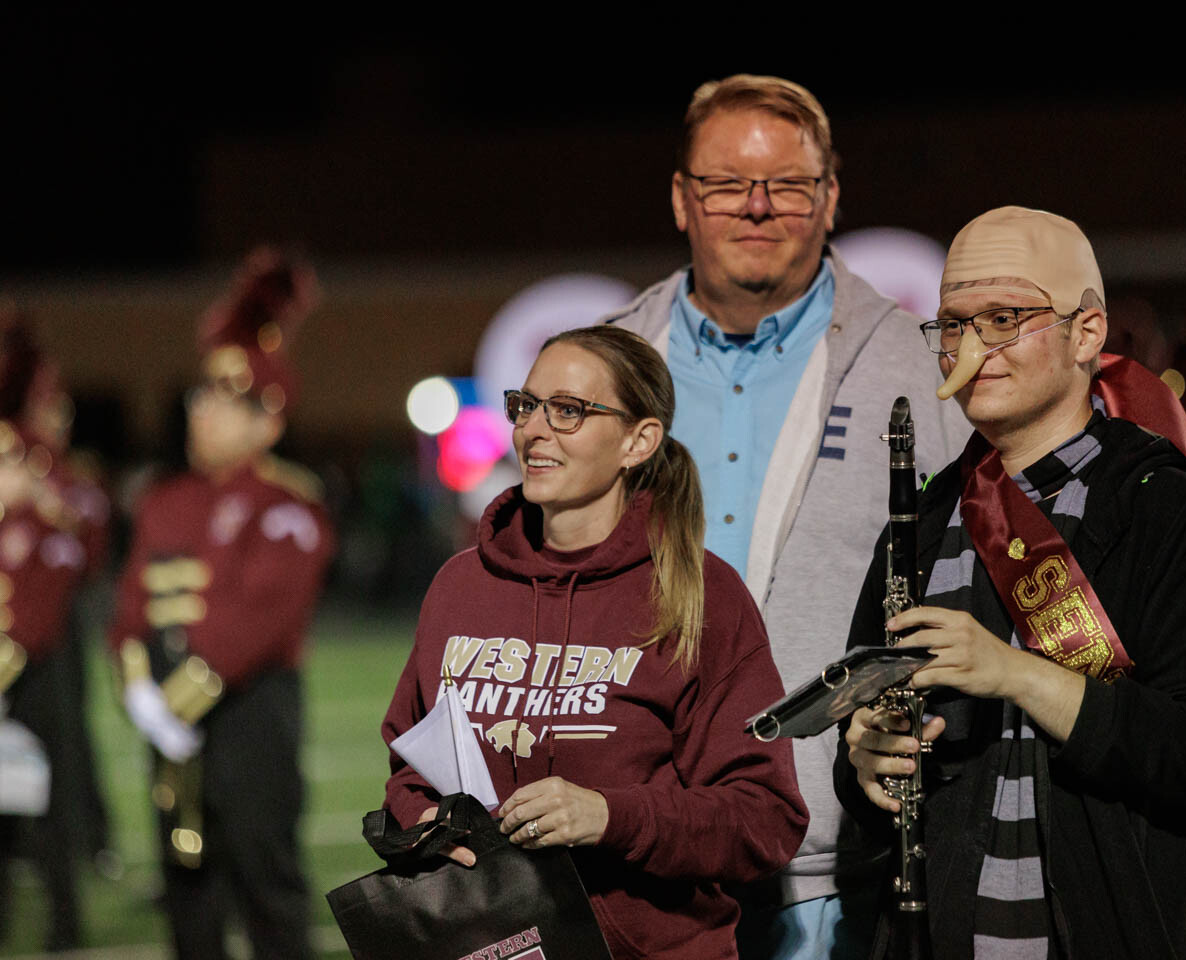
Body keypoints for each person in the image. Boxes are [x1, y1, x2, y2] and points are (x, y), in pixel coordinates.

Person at [837, 206, 1186, 958]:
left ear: (1086, 333)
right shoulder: (921, 522)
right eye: (954, 325)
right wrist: (865, 760)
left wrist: (1017, 674)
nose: (970, 348)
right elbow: (871, 762)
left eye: (1004, 318)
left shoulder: (1168, 512)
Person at [605, 73, 971, 956]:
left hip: (834, 872)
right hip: (631, 859)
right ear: (681, 198)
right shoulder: (605, 366)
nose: (758, 205)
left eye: (790, 184)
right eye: (726, 183)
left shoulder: (923, 371)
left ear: (832, 197)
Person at [381, 325, 808, 960]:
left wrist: (609, 817)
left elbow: (764, 817)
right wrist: (426, 825)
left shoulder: (703, 594)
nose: (534, 430)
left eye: (568, 410)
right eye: (527, 405)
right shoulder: (460, 585)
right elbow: (410, 766)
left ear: (639, 441)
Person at [108, 249, 333, 960]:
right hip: (166, 720)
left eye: (225, 402)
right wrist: (137, 689)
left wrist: (175, 699)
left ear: (268, 423)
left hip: (249, 714)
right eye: (200, 397)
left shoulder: (287, 504)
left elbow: (260, 618)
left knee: (267, 884)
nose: (202, 412)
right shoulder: (165, 500)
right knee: (187, 888)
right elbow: (130, 605)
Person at [0, 309, 92, 951]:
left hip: (38, 659)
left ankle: (65, 917)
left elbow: (82, 544)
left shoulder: (46, 466)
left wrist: (38, 498)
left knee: (51, 792)